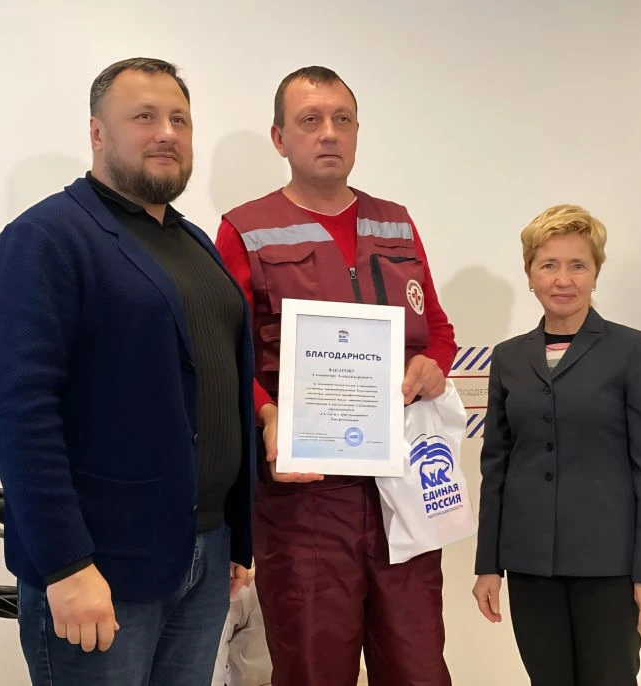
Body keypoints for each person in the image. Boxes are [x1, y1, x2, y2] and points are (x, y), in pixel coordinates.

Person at [0, 57, 256, 686]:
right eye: (144, 117)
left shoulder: (195, 244)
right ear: (97, 133)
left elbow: (215, 388)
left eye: (180, 119)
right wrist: (65, 565)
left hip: (204, 552)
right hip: (100, 568)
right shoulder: (45, 238)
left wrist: (234, 538)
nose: (167, 133)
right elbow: (17, 413)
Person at [214, 65, 457, 686]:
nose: (329, 132)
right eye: (310, 120)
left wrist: (434, 365)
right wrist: (267, 412)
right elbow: (225, 356)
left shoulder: (395, 223)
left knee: (419, 668)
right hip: (306, 502)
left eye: (342, 119)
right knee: (313, 669)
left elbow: (438, 329)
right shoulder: (246, 230)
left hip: (403, 489)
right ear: (279, 138)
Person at [471, 204, 641, 686]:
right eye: (549, 265)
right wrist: (488, 566)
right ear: (530, 274)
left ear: (596, 272)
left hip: (609, 565)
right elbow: (496, 466)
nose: (563, 279)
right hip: (528, 564)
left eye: (578, 265)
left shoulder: (633, 350)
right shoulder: (508, 358)